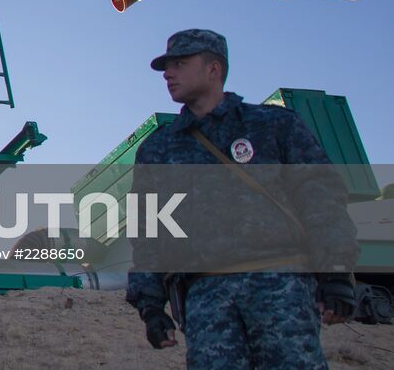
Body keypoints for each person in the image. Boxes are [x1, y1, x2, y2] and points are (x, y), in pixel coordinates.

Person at [125, 29, 360, 369]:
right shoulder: (158, 148)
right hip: (205, 297)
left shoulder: (272, 125)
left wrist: (336, 271)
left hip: (280, 285)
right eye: (167, 66)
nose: (168, 73)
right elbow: (148, 230)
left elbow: (320, 196)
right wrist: (150, 307)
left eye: (179, 63)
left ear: (213, 68)